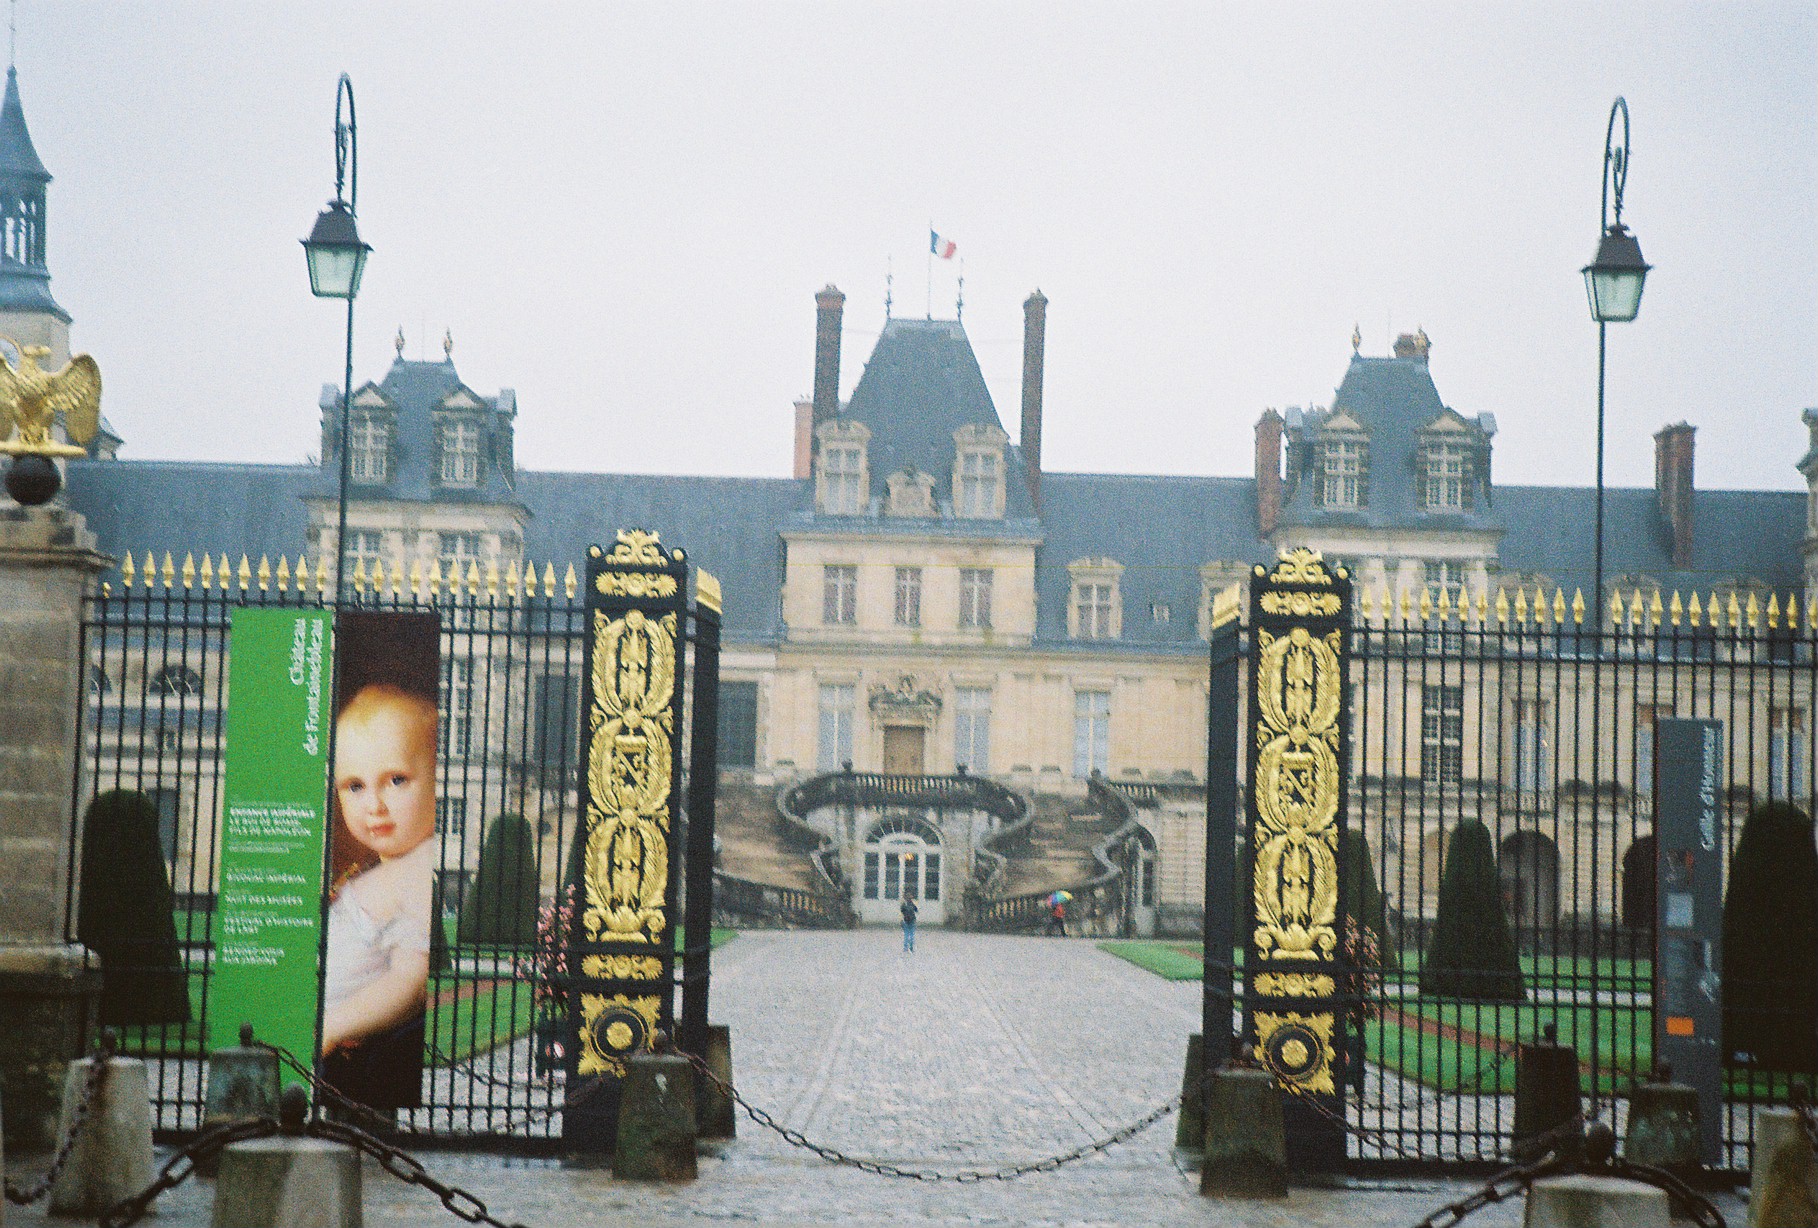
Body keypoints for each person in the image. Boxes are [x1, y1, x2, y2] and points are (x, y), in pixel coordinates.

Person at [321, 683, 438, 1108]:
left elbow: (409, 982)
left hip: (351, 1057)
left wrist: (332, 1026)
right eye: (354, 786)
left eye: (395, 780)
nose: (374, 804)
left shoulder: (417, 869)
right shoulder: (387, 866)